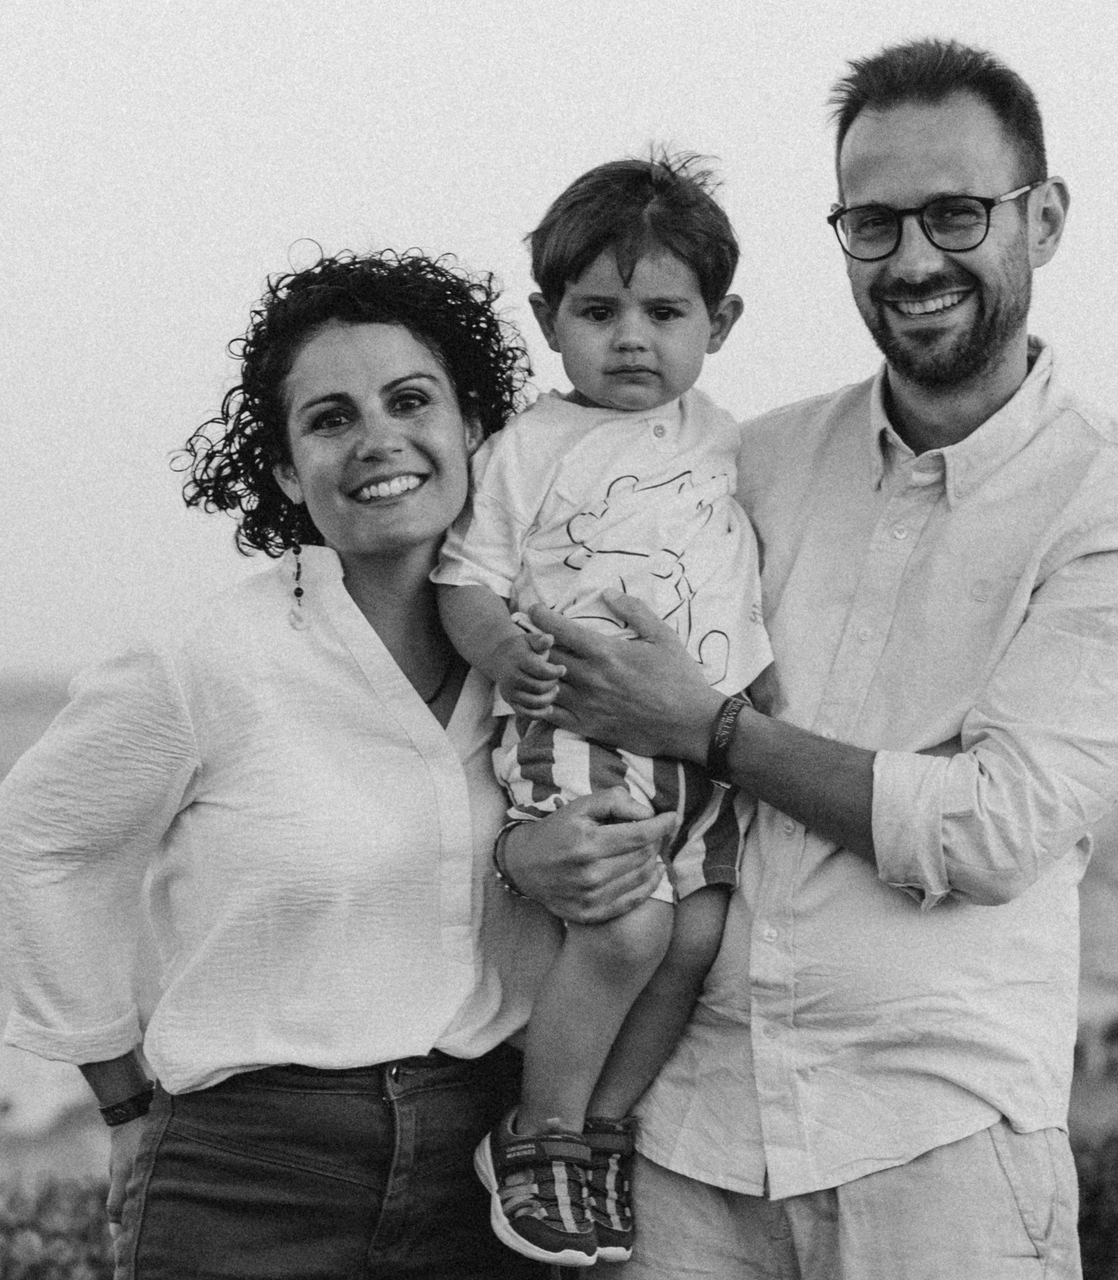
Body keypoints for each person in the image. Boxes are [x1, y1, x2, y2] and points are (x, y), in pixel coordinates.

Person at [502, 39, 1118, 1280]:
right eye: (874, 224)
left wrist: (713, 729)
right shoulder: (746, 460)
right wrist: (526, 847)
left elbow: (989, 829)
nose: (914, 259)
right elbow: (564, 682)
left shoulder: (1116, 514)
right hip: (682, 1139)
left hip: (937, 1147)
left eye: (956, 214)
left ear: (1043, 220)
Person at [0, 250, 674, 1280]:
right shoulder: (208, 659)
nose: (379, 438)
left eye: (411, 400)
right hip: (248, 1180)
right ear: (290, 473)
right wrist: (121, 1102)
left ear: (476, 429)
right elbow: (26, 848)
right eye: (331, 419)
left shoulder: (550, 656)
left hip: (489, 1179)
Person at [434, 154, 768, 1267]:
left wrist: (757, 700)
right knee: (628, 928)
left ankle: (603, 1128)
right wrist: (503, 653)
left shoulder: (723, 437)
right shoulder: (528, 448)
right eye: (598, 312)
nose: (632, 339)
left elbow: (734, 581)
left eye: (665, 313)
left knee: (699, 933)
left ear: (719, 322)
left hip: (700, 748)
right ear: (549, 320)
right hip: (575, 730)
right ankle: (538, 1132)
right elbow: (464, 580)